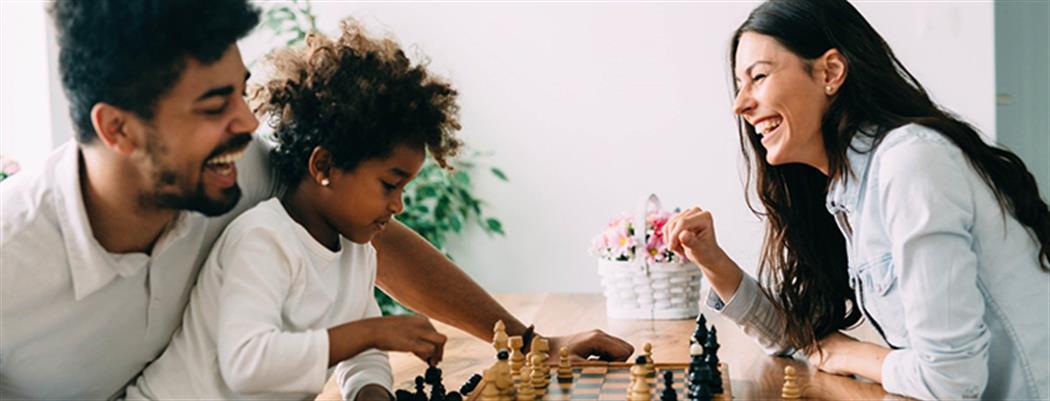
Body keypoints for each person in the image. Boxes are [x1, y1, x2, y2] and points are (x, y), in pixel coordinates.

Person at [0, 1, 632, 399]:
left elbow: (370, 242)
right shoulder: (11, 255)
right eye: (215, 106)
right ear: (119, 131)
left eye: (242, 94)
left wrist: (526, 344)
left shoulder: (236, 169)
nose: (249, 124)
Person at [663, 0, 1049, 399]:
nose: (739, 104)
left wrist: (855, 355)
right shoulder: (846, 189)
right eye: (739, 84)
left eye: (758, 77)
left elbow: (952, 380)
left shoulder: (910, 163)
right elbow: (810, 343)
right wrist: (712, 261)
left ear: (830, 72)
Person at [124, 21, 456, 401]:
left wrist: (372, 391)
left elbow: (362, 357)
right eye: (389, 185)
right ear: (324, 167)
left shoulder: (357, 253)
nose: (397, 205)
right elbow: (246, 363)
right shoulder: (264, 239)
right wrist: (375, 332)